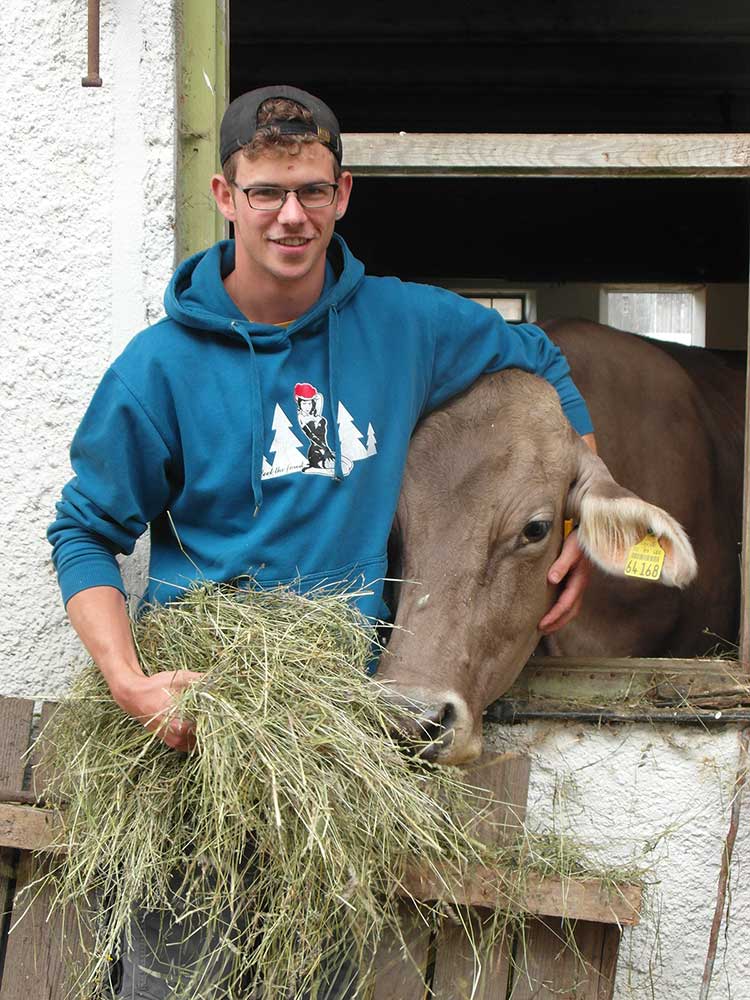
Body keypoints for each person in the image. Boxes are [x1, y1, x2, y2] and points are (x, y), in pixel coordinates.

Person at [48, 84, 596, 997]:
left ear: (343, 194)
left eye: (310, 189)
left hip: (340, 751)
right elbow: (83, 532)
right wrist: (130, 682)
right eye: (266, 192)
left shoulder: (406, 325)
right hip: (200, 735)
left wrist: (579, 502)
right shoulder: (159, 369)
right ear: (226, 198)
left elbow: (536, 356)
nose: (290, 215)